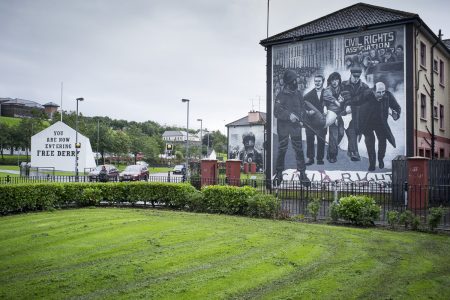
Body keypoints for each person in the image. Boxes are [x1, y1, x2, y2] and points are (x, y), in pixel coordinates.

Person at [274, 69, 310, 185]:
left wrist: (302, 118)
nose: (296, 83)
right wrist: (289, 115)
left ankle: (302, 173)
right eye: (294, 81)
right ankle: (279, 173)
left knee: (299, 150)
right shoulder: (280, 95)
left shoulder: (298, 94)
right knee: (282, 149)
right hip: (283, 127)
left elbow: (303, 107)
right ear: (289, 82)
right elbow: (277, 111)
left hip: (295, 127)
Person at [359, 82, 401, 171]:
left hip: (381, 122)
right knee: (370, 143)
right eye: (379, 92)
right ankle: (372, 163)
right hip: (368, 123)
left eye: (383, 92)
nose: (381, 94)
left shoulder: (388, 95)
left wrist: (396, 114)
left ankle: (381, 159)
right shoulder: (366, 94)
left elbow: (397, 107)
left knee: (382, 141)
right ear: (374, 91)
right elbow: (357, 105)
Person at [341, 66, 370, 162]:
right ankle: (354, 152)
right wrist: (346, 106)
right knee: (351, 130)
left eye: (358, 77)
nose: (356, 79)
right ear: (351, 74)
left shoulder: (365, 86)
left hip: (359, 114)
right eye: (354, 76)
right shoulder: (344, 84)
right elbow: (341, 97)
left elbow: (368, 101)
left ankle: (352, 151)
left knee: (354, 132)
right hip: (346, 112)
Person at [322, 72, 348, 163]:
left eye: (336, 80)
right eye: (333, 80)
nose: (335, 82)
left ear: (339, 80)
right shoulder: (328, 89)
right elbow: (326, 96)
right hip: (331, 114)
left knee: (341, 133)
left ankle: (331, 149)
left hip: (340, 114)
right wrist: (336, 101)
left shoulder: (341, 88)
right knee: (334, 135)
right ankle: (332, 155)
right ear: (330, 81)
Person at [303, 75, 326, 165]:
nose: (317, 83)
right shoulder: (308, 95)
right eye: (315, 81)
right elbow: (302, 107)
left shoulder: (327, 93)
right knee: (310, 140)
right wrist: (308, 112)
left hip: (322, 121)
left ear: (323, 81)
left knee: (321, 140)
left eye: (319, 81)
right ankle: (310, 158)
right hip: (310, 121)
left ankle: (320, 159)